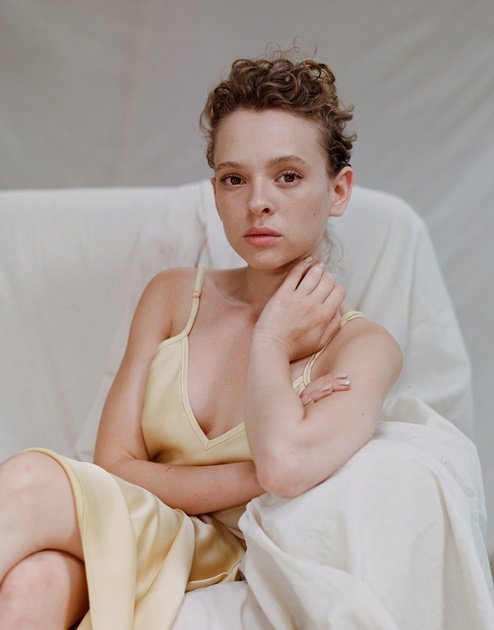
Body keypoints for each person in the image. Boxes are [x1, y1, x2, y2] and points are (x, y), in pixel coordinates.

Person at [0, 55, 402, 628]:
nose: (258, 201)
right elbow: (114, 466)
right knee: (34, 583)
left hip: (219, 553)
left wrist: (270, 342)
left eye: (288, 176)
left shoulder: (363, 347)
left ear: (339, 190)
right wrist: (250, 474)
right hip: (136, 523)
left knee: (29, 479)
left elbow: (286, 470)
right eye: (234, 178)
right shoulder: (172, 295)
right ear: (216, 190)